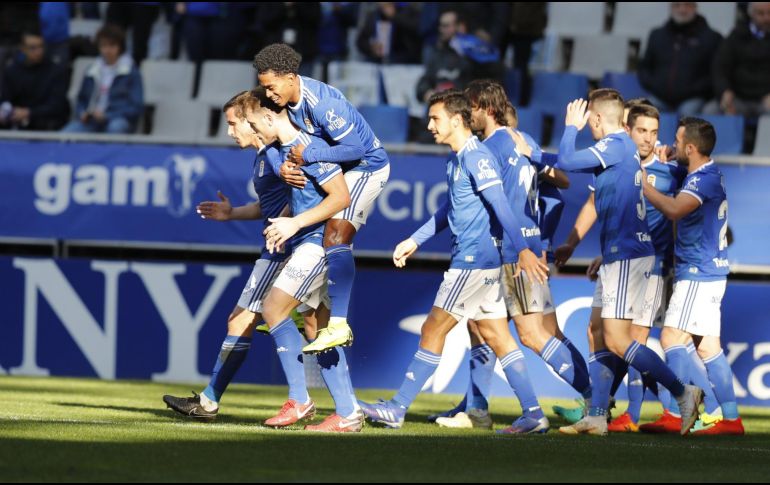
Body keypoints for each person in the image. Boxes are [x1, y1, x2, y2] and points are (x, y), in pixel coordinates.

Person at [358, 90, 551, 434]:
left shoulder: (477, 158)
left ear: (457, 120)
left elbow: (501, 205)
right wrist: (414, 240)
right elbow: (450, 209)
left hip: (473, 261)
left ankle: (397, 408)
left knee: (433, 328)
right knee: (497, 335)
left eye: (435, 118)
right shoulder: (456, 158)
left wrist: (522, 249)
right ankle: (534, 413)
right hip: (482, 261)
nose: (429, 125)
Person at [430, 82, 587, 430]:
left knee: (531, 335)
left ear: (484, 107)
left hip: (512, 251)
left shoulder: (487, 149)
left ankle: (595, 400)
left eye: (470, 107)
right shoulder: (525, 139)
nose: (466, 115)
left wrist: (527, 246)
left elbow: (497, 204)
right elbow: (560, 186)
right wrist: (541, 236)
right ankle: (475, 408)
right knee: (484, 326)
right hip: (529, 245)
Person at [553, 89, 702, 436]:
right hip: (618, 254)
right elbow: (568, 167)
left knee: (620, 341)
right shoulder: (618, 150)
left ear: (596, 119)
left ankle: (684, 393)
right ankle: (597, 414)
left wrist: (569, 128)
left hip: (628, 255)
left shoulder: (617, 144)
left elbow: (565, 160)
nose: (587, 126)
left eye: (588, 121)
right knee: (599, 332)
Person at [253, 43, 391, 354]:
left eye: (272, 87)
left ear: (290, 77)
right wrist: (284, 165)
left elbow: (356, 149)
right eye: (265, 88)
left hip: (367, 168)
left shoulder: (323, 103)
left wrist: (311, 154)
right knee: (311, 235)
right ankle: (306, 306)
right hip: (337, 168)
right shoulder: (288, 103)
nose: (269, 94)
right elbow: (276, 138)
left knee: (334, 233)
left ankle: (339, 324)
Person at [162, 91, 292, 420]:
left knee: (241, 319)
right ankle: (342, 406)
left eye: (234, 124)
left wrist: (289, 224)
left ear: (253, 120)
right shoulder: (264, 157)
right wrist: (232, 213)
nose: (230, 132)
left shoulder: (278, 155)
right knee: (313, 327)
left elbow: (305, 193)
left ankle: (209, 402)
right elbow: (268, 206)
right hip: (287, 247)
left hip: (281, 251)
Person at [245, 87, 363, 433]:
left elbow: (340, 197)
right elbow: (303, 198)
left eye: (254, 124)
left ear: (269, 117)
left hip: (317, 243)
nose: (254, 132)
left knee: (273, 309)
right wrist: (284, 220)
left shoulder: (310, 147)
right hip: (303, 241)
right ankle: (348, 412)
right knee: (316, 328)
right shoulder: (282, 153)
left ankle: (299, 400)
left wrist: (295, 223)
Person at [643, 117, 745, 435]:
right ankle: (731, 420)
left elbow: (674, 209)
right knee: (708, 348)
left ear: (690, 147)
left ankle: (675, 414)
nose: (671, 145)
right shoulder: (706, 174)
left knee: (671, 337)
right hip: (709, 272)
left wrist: (643, 185)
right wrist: (670, 162)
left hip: (698, 272)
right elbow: (683, 179)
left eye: (676, 141)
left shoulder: (701, 181)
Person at [638, 2, 722, 116]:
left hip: (693, 99)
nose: (682, 10)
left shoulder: (711, 38)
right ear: (671, 7)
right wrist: (655, 86)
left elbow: (716, 73)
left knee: (688, 116)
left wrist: (696, 90)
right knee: (642, 112)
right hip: (660, 97)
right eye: (677, 5)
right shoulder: (657, 35)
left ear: (695, 7)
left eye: (687, 5)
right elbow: (644, 68)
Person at [62, 24, 143, 134]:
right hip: (92, 121)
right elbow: (81, 99)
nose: (107, 50)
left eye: (112, 45)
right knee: (66, 133)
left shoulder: (131, 72)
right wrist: (83, 113)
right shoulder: (92, 69)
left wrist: (107, 115)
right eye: (103, 46)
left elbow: (136, 107)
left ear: (120, 47)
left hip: (117, 119)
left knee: (115, 127)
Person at [706, 2, 770, 116]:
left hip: (766, 100)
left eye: (769, 13)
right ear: (751, 14)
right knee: (711, 110)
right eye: (761, 13)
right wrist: (724, 92)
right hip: (738, 98)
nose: (766, 18)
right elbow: (720, 67)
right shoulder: (736, 36)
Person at [0, 28, 69, 131]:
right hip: (16, 119)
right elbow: (5, 98)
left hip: (46, 121)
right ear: (22, 49)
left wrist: (29, 112)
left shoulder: (56, 71)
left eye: (41, 46)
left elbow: (56, 106)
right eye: (33, 48)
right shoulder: (12, 71)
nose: (38, 52)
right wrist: (6, 111)